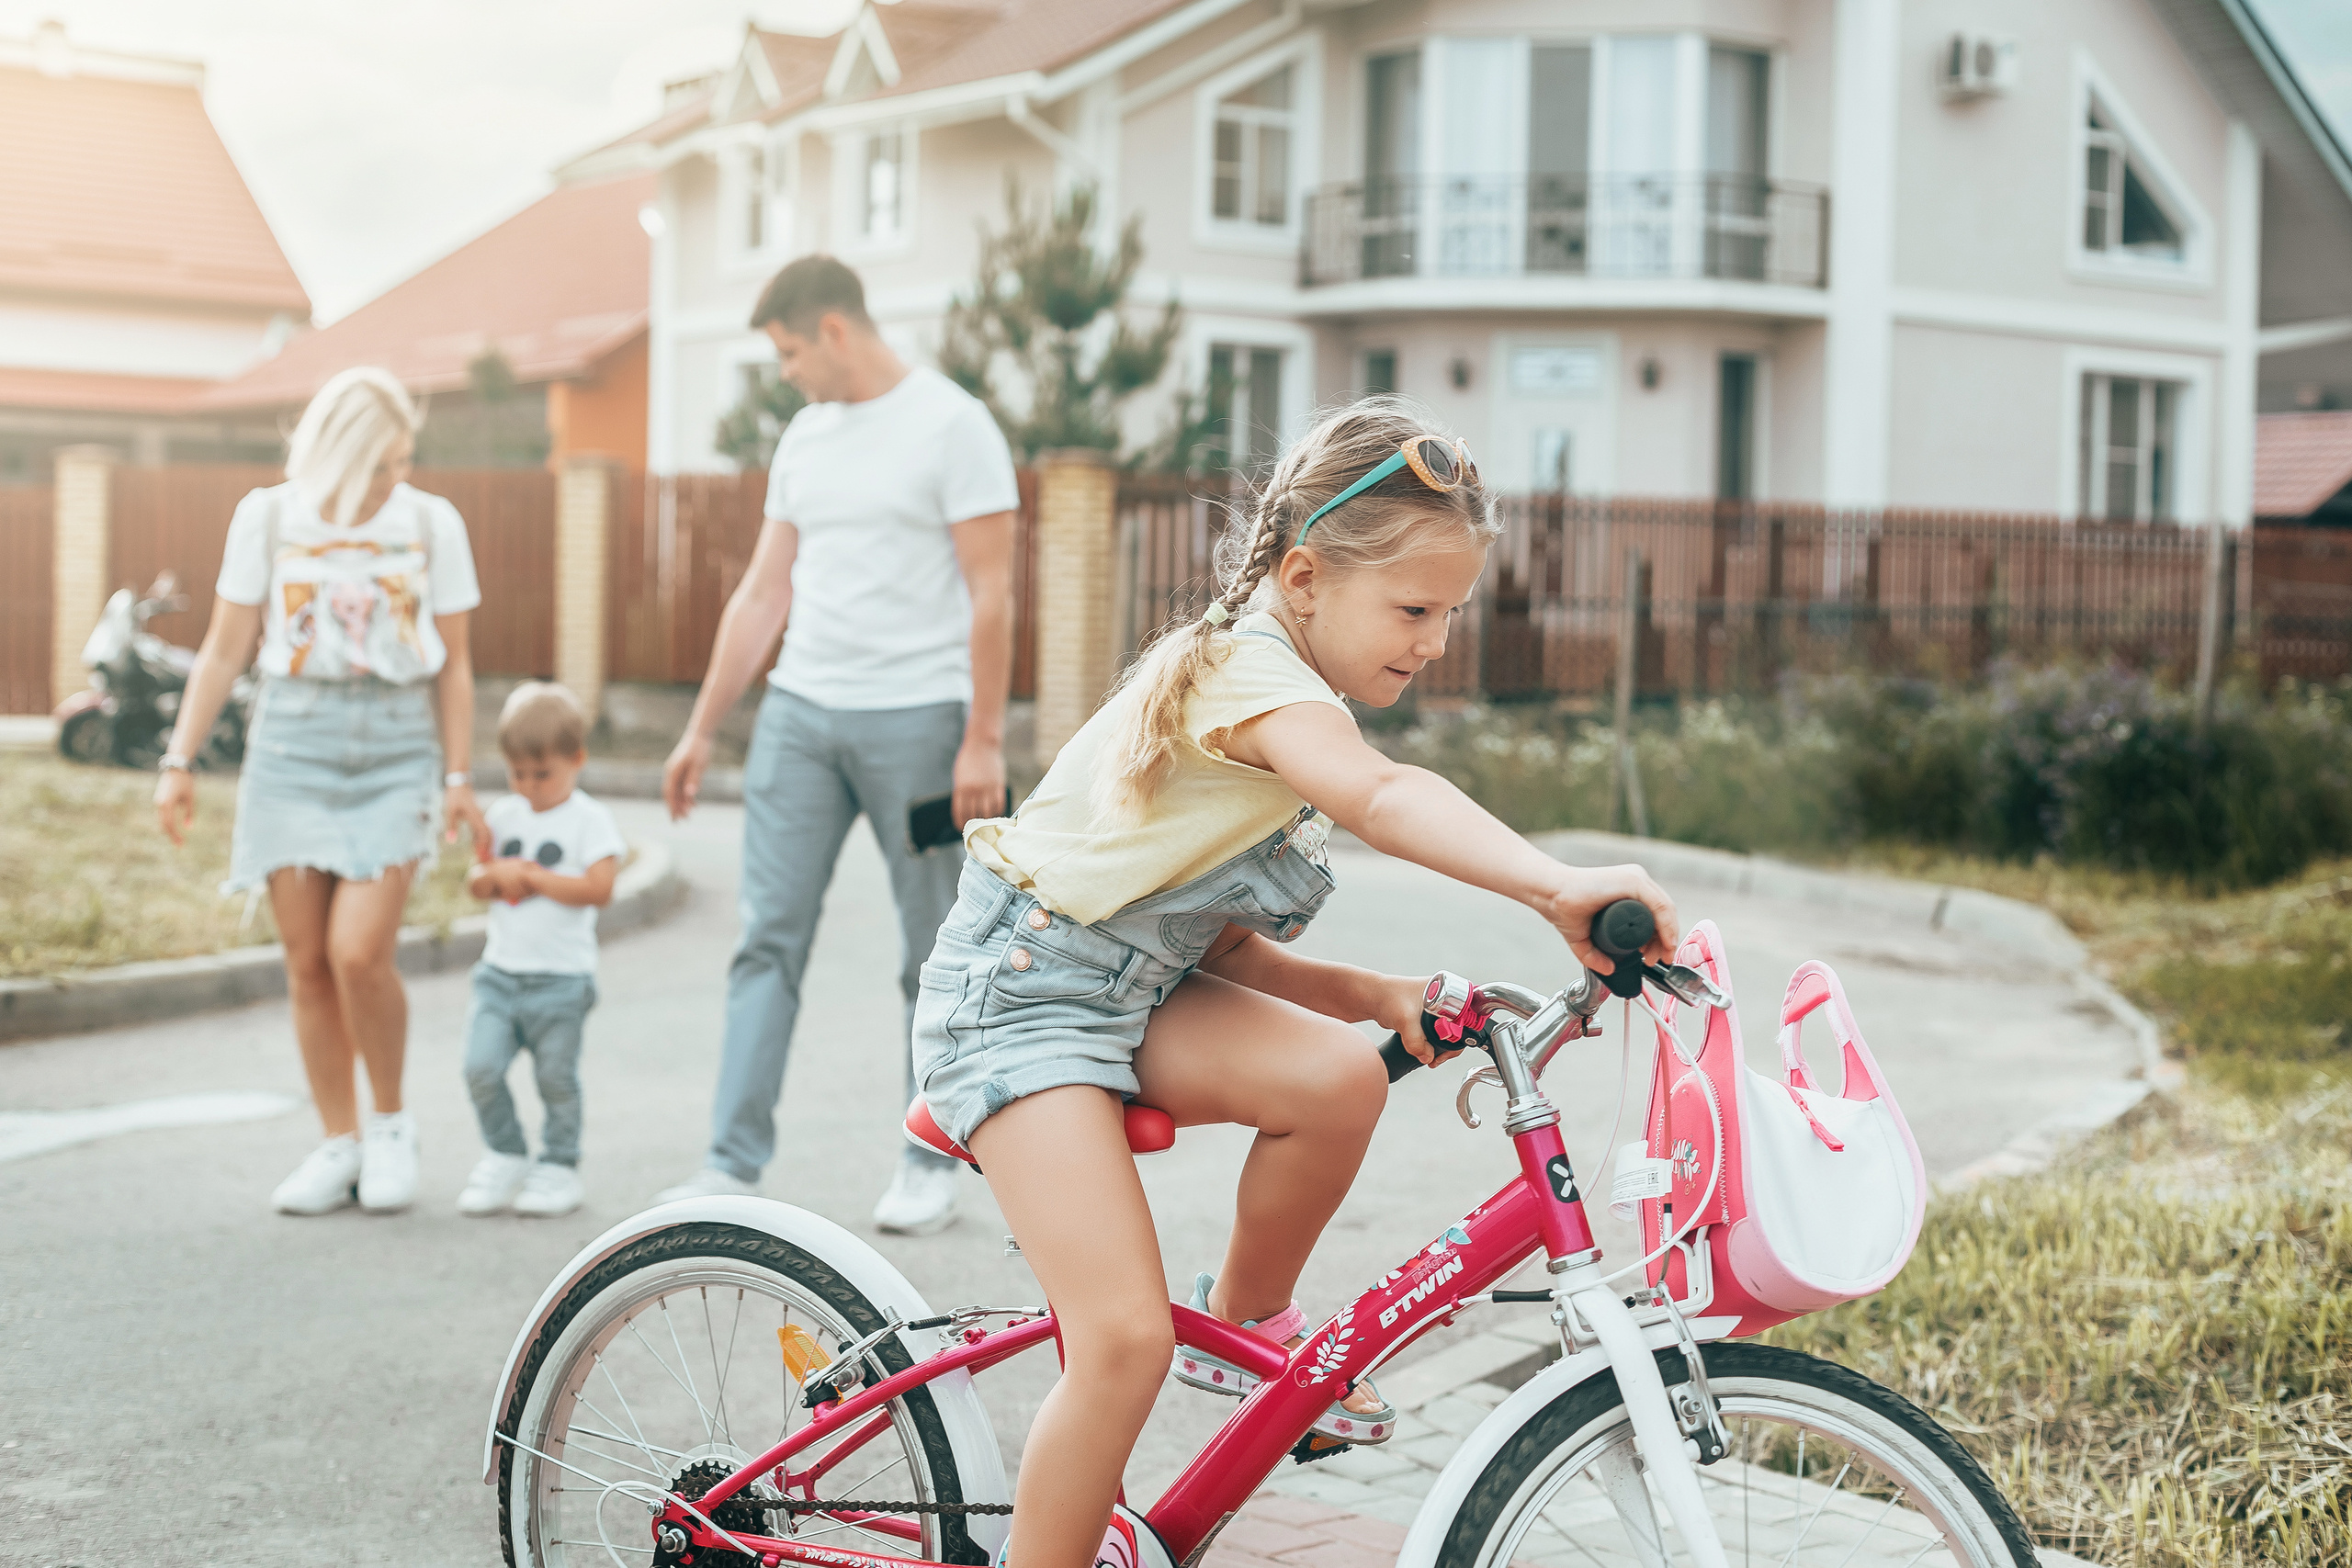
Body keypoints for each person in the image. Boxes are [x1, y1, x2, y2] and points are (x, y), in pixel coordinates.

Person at [910, 400, 1680, 1568]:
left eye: (1450, 615)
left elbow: (1195, 938)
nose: (1432, 642)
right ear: (1308, 576)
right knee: (1119, 1340)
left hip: (1123, 985)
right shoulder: (1249, 676)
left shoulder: (1276, 693)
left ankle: (1243, 1327)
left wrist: (1368, 997)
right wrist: (1550, 884)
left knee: (1336, 1080)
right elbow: (1382, 797)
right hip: (1017, 998)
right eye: (1415, 609)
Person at [656, 254, 1019, 1235]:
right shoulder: (805, 438)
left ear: (833, 332)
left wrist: (981, 736)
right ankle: (730, 1164)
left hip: (919, 723)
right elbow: (763, 591)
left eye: (786, 353)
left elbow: (992, 591)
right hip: (799, 717)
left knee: (932, 953)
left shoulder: (952, 425)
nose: (783, 374)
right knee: (765, 938)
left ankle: (929, 1156)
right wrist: (700, 727)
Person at [154, 366, 487, 1216]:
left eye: (402, 461)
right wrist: (179, 760)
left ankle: (390, 1126)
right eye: (380, 464)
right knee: (305, 962)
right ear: (338, 458)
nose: (393, 479)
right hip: (291, 747)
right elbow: (226, 650)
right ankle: (338, 1143)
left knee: (358, 953)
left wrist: (457, 775)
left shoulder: (430, 522)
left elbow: (455, 667)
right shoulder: (267, 516)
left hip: (395, 747)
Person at [457, 682, 625, 1219]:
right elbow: (475, 882)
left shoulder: (589, 820)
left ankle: (559, 1165)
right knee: (480, 1068)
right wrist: (493, 877)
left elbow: (599, 890)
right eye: (517, 774)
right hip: (500, 976)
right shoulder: (505, 815)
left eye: (542, 774)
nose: (529, 786)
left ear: (576, 760)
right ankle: (504, 1151)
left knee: (555, 1079)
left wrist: (531, 875)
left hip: (561, 981)